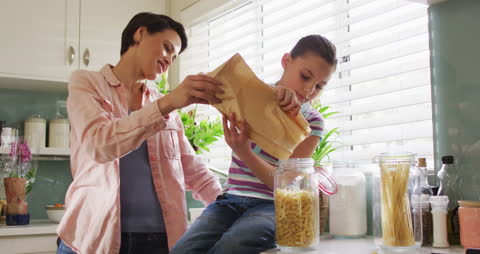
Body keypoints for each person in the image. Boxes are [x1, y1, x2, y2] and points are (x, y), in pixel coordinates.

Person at [56, 12, 227, 254]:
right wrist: (168, 104)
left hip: (161, 242)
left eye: (174, 57)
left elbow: (194, 171)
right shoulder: (87, 83)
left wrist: (231, 209)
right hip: (92, 240)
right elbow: (99, 146)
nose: (169, 60)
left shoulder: (165, 104)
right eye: (167, 48)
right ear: (140, 33)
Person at [170, 34, 337, 254]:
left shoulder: (312, 122)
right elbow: (217, 84)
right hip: (229, 201)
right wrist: (268, 99)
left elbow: (286, 185)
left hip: (272, 205)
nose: (309, 90)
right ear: (286, 62)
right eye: (305, 77)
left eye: (319, 86)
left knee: (230, 247)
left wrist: (245, 153)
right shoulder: (252, 94)